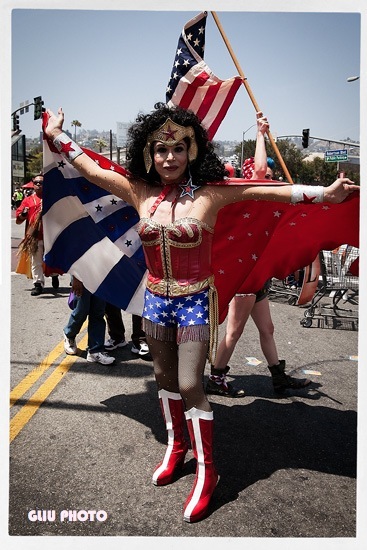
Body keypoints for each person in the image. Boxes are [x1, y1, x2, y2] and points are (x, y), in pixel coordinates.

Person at [44, 102, 357, 523]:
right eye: (160, 149)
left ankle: (207, 471)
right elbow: (89, 168)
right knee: (163, 378)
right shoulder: (140, 191)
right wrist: (59, 135)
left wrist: (325, 195)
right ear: (148, 154)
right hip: (155, 299)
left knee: (191, 382)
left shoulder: (212, 194)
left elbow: (268, 190)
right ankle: (176, 449)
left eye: (177, 148)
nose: (168, 157)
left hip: (194, 302)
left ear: (192, 150)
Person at [207, 113, 311, 397]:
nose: (270, 178)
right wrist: (261, 134)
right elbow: (261, 173)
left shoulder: (262, 201)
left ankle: (278, 377)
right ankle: (216, 379)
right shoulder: (248, 198)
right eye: (265, 175)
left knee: (268, 328)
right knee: (234, 332)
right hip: (245, 277)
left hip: (257, 277)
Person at [15, 174, 60, 295]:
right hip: (34, 236)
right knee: (36, 261)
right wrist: (23, 214)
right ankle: (38, 284)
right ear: (33, 184)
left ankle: (54, 275)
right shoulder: (28, 200)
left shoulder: (51, 198)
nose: (38, 185)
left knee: (52, 258)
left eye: (41, 183)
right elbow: (18, 219)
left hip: (50, 235)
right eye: (36, 183)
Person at [64, 276, 115, 365]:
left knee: (98, 313)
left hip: (100, 276)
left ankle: (95, 351)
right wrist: (76, 278)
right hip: (82, 276)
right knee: (81, 311)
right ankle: (69, 334)